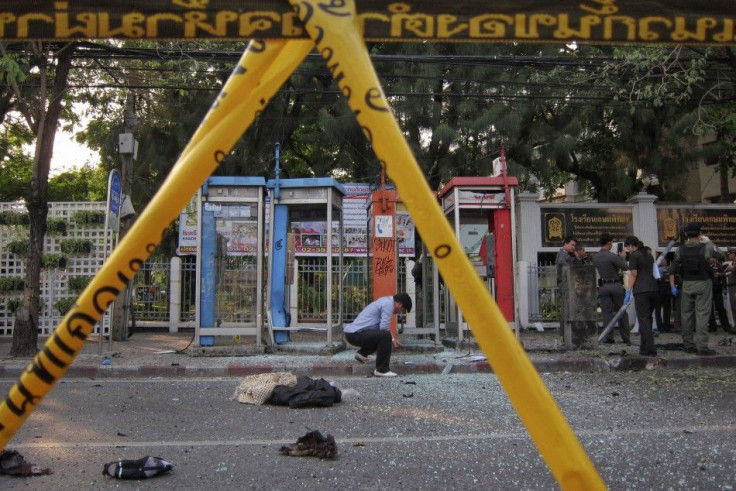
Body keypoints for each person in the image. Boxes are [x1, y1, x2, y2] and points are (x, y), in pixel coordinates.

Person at [668, 223, 716, 356]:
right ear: (699, 234)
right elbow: (719, 254)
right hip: (703, 283)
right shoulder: (706, 247)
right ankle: (702, 346)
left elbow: (675, 265)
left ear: (686, 235)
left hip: (687, 284)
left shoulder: (680, 249)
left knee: (686, 315)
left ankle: (688, 344)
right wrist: (707, 240)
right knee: (702, 314)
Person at [344, 293, 412, 377]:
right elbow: (384, 329)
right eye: (402, 309)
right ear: (400, 304)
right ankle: (382, 369)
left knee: (382, 336)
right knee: (385, 336)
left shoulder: (385, 301)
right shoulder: (388, 305)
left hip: (352, 333)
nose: (400, 312)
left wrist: (393, 339)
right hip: (355, 334)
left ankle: (362, 354)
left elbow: (382, 328)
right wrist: (393, 340)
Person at [592, 233, 630, 345]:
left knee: (606, 313)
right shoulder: (612, 256)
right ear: (609, 243)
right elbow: (625, 267)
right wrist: (622, 258)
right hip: (616, 285)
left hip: (603, 286)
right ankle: (626, 337)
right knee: (621, 312)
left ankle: (608, 337)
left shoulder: (596, 257)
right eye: (611, 243)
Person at [625, 236, 658, 356]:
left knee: (643, 320)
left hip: (641, 290)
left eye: (628, 247)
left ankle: (651, 348)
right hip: (653, 289)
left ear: (631, 245)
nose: (628, 249)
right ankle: (643, 348)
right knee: (648, 319)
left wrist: (628, 290)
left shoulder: (634, 255)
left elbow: (633, 274)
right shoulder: (649, 255)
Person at [555, 236, 578, 335]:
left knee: (568, 309)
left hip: (567, 284)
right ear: (566, 243)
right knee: (566, 309)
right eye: (572, 245)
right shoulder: (563, 256)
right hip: (565, 284)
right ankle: (564, 333)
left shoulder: (567, 255)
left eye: (575, 246)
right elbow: (569, 269)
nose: (574, 247)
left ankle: (565, 332)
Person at [708, 253, 733, 333]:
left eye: (713, 258)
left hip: (718, 289)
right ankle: (712, 326)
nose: (711, 259)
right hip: (708, 290)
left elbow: (723, 278)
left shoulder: (719, 266)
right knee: (709, 309)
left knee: (721, 308)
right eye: (710, 258)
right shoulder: (706, 266)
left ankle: (726, 326)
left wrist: (724, 288)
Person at [724, 248, 736, 331]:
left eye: (730, 254)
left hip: (735, 287)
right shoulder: (733, 263)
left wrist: (731, 268)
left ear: (734, 254)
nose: (729, 256)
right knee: (733, 308)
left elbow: (732, 269)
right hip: (731, 287)